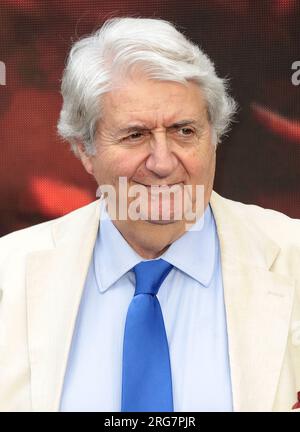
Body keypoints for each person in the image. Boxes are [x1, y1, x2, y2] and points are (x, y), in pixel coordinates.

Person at [0, 17, 299, 413]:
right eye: (135, 135)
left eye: (184, 131)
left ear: (215, 137)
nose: (162, 163)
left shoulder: (292, 258)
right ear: (85, 150)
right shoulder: (9, 274)